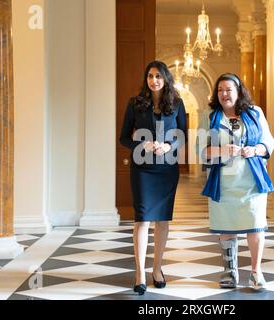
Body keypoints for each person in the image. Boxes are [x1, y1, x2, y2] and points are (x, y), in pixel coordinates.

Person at [198, 73, 274, 290]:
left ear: (239, 91)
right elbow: (202, 151)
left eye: (229, 89)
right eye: (220, 90)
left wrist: (255, 150)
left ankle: (256, 271)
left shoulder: (255, 113)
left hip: (252, 181)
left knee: (255, 226)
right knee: (227, 226)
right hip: (223, 183)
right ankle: (230, 271)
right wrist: (222, 150)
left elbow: (267, 142)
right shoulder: (209, 115)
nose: (224, 94)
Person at [120, 60, 187, 295]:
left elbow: (182, 135)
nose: (154, 80)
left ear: (165, 78)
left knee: (162, 221)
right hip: (142, 169)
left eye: (158, 76)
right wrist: (142, 142)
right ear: (146, 79)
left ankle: (157, 269)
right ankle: (140, 273)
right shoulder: (135, 104)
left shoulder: (177, 104)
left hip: (167, 169)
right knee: (142, 219)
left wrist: (169, 147)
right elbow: (123, 138)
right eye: (150, 76)